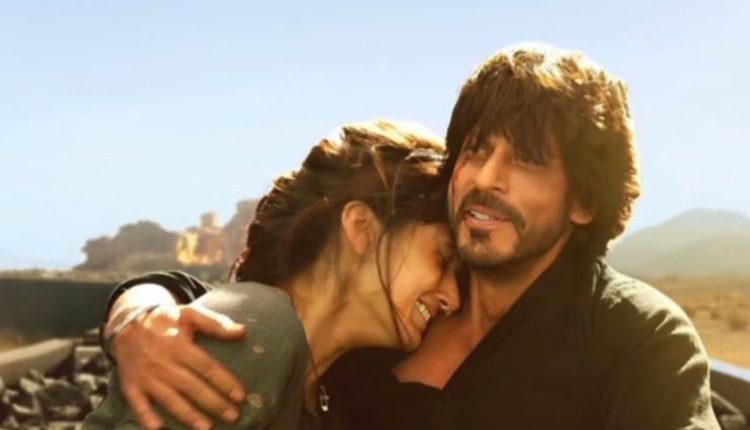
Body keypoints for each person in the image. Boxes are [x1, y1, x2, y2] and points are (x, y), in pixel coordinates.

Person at [102, 44, 721, 430]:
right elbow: (255, 308)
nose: (486, 178)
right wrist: (138, 311)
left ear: (584, 200)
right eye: (475, 150)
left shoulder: (636, 337)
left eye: (527, 161)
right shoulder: (402, 302)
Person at [82, 120, 461, 430]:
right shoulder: (262, 325)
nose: (453, 297)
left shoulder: (320, 388)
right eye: (442, 258)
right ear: (362, 228)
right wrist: (137, 311)